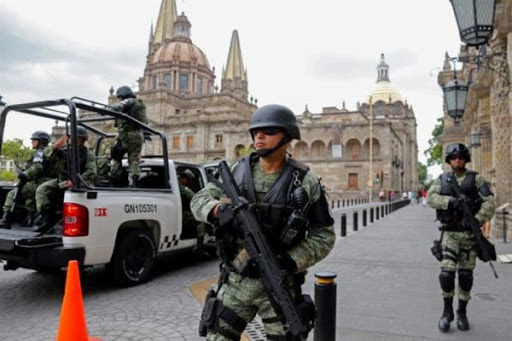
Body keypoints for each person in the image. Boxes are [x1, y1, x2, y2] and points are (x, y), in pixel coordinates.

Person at [191, 104, 335, 340]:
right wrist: (217, 210)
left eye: (268, 131)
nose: (259, 136)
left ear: (287, 136)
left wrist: (290, 260)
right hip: (235, 283)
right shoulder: (237, 170)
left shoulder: (304, 182)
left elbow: (324, 235)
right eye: (255, 132)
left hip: (279, 285)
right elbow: (199, 199)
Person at [427, 143, 495, 332]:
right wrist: (450, 202)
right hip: (449, 234)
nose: (458, 160)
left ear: (466, 159)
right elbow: (431, 198)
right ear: (449, 160)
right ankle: (447, 312)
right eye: (454, 157)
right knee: (446, 274)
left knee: (465, 276)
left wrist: (476, 219)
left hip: (469, 236)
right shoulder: (443, 180)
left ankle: (462, 312)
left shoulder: (477, 180)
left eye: (461, 157)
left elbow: (490, 202)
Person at [34, 126, 96, 232]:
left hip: (80, 182)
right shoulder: (63, 151)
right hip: (62, 181)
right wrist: (54, 147)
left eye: (77, 138)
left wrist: (75, 182)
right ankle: (46, 220)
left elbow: (91, 172)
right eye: (72, 137)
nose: (74, 140)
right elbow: (44, 157)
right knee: (42, 189)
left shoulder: (88, 155)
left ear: (83, 140)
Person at [0, 131, 53, 229]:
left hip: (39, 182)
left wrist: (24, 174)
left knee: (11, 194)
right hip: (43, 182)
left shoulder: (40, 152)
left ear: (41, 141)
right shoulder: (48, 152)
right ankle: (29, 220)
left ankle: (5, 220)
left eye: (34, 140)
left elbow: (38, 167)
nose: (32, 142)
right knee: (29, 199)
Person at [110, 85, 148, 187]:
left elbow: (117, 106)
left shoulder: (129, 101)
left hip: (126, 135)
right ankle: (134, 183)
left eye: (119, 97)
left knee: (116, 156)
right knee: (134, 160)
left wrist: (108, 110)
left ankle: (114, 180)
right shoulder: (141, 105)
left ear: (123, 95)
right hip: (138, 136)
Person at [178, 169, 208, 256]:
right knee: (201, 221)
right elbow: (191, 195)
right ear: (183, 178)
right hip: (182, 214)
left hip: (180, 212)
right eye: (187, 180)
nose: (188, 182)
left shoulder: (176, 181)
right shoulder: (180, 186)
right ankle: (199, 247)